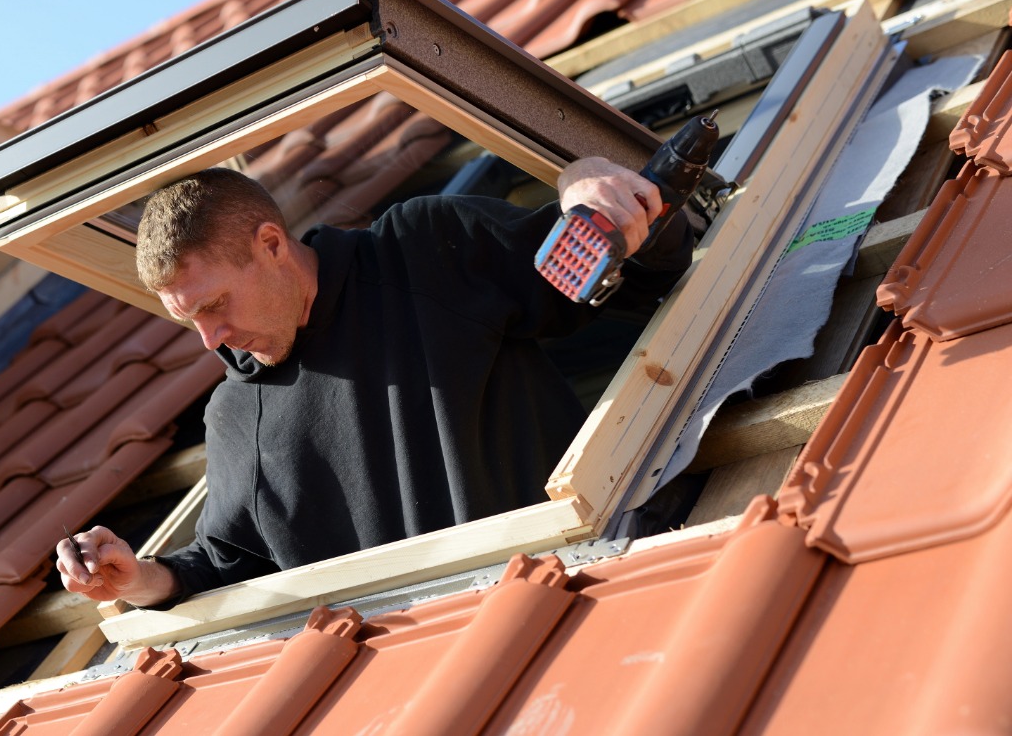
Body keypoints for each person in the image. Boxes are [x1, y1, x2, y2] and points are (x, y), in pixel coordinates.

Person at [55, 158, 692, 608]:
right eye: (187, 319)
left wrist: (586, 179)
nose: (209, 337)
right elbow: (229, 568)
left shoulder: (423, 251)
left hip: (593, 591)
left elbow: (639, 281)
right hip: (418, 674)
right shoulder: (231, 416)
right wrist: (137, 580)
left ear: (272, 245)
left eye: (214, 303)